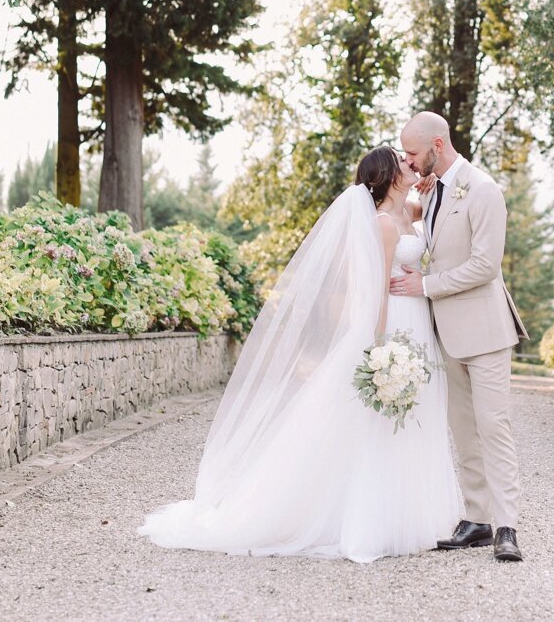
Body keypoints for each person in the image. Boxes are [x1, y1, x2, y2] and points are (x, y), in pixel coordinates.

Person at [138, 147, 460, 562]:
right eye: (403, 161)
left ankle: (410, 511)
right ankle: (365, 518)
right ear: (388, 175)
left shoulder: (408, 212)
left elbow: (425, 207)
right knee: (372, 422)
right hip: (394, 321)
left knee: (412, 416)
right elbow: (375, 288)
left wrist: (430, 189)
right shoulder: (382, 224)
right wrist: (380, 347)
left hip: (417, 319)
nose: (411, 164)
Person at [391, 112, 528, 563]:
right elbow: (428, 242)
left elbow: (485, 266)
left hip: (485, 332)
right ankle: (477, 520)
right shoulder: (432, 192)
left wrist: (425, 286)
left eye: (412, 153)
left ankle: (507, 526)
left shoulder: (484, 190)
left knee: (494, 427)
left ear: (436, 143)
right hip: (445, 333)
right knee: (463, 430)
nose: (409, 162)